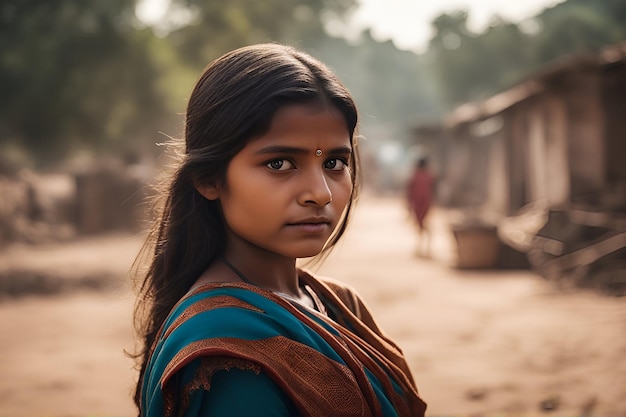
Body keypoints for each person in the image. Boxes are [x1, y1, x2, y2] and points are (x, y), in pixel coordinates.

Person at [131, 43, 427, 417]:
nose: (320, 193)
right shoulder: (227, 351)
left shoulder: (337, 303)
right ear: (208, 179)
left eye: (335, 161)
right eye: (280, 163)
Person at [407, 157, 434, 257]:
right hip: (424, 202)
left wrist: (408, 205)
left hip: (419, 203)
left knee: (421, 224)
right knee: (422, 224)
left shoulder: (415, 175)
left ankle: (423, 247)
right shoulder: (429, 175)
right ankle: (424, 247)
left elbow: (409, 190)